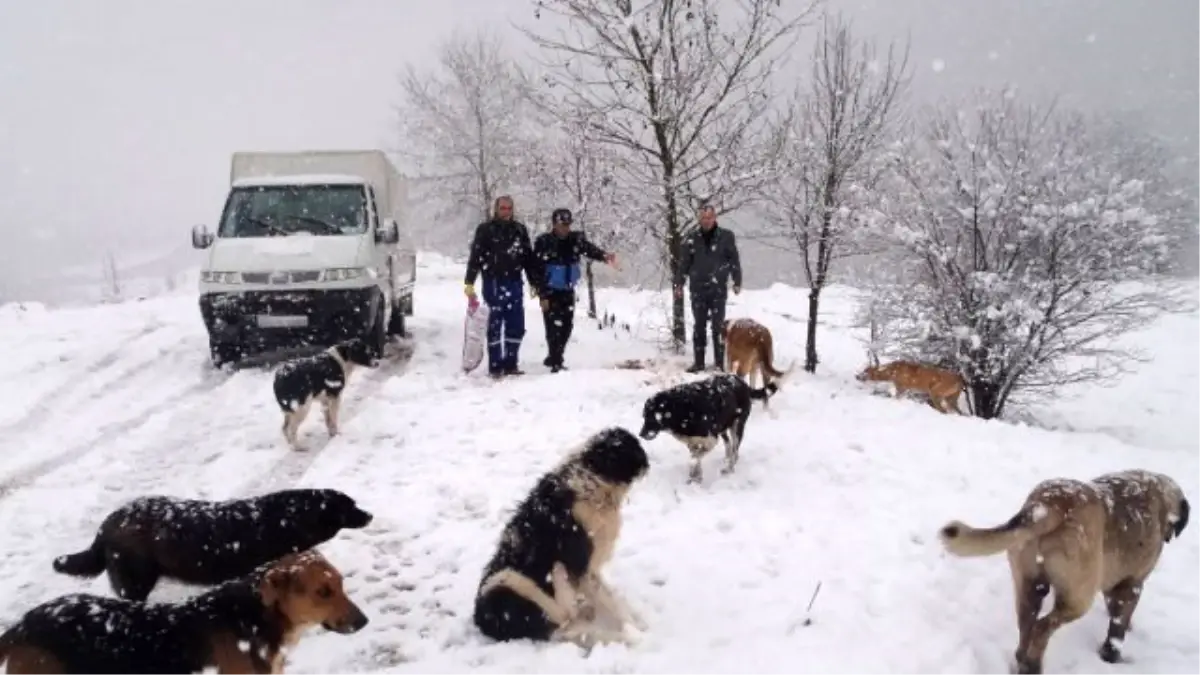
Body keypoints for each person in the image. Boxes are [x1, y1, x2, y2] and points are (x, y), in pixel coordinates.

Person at [464, 195, 543, 379]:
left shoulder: (519, 230)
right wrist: (469, 282)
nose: (506, 212)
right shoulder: (485, 230)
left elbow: (528, 259)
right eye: (503, 208)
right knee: (494, 325)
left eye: (509, 208)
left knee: (516, 325)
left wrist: (534, 282)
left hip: (514, 282)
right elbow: (475, 257)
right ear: (496, 209)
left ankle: (511, 363)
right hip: (493, 282)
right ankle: (495, 366)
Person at [533, 208, 617, 373]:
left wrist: (604, 256)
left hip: (567, 290)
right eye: (561, 224)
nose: (565, 228)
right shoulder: (544, 242)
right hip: (549, 291)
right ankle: (556, 361)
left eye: (567, 224)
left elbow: (589, 250)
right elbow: (536, 269)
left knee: (567, 326)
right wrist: (541, 293)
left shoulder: (575, 240)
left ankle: (554, 355)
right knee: (552, 326)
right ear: (554, 224)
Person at [674, 204, 742, 373]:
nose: (706, 221)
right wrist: (679, 283)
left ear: (715, 218)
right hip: (698, 289)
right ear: (699, 219)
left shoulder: (726, 237)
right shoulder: (691, 238)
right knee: (699, 326)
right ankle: (699, 363)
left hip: (718, 288)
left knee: (718, 327)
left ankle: (719, 364)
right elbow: (684, 264)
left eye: (709, 217)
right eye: (703, 218)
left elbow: (734, 259)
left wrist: (737, 280)